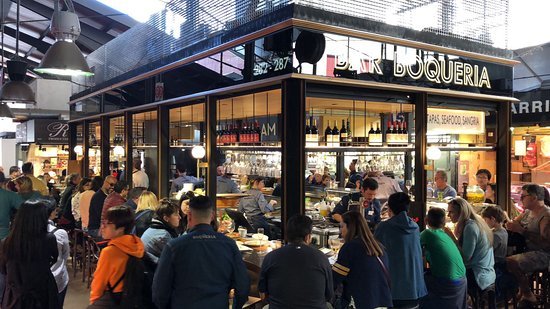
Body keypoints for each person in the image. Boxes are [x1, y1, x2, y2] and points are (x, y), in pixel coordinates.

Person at [153, 196, 249, 308]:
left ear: (189, 216)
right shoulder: (229, 245)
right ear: (212, 216)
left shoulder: (174, 247)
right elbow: (242, 286)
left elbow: (159, 291)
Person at [259, 214, 333, 308]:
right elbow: (329, 294)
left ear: (287, 235)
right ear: (308, 237)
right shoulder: (321, 257)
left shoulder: (270, 257)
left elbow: (263, 295)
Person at [0, 200, 59, 308]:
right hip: (43, 293)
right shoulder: (49, 239)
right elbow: (54, 259)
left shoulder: (6, 242)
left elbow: (3, 269)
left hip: (14, 297)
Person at [374, 192, 427, 307]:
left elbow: (372, 250)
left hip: (396, 290)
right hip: (416, 288)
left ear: (390, 208)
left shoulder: (384, 227)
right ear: (408, 208)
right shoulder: (415, 227)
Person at [333, 211, 392, 309]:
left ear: (350, 227)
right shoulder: (378, 246)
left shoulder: (350, 247)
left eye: (342, 226)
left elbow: (335, 278)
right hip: (382, 301)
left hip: (361, 301)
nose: (340, 231)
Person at [89, 206, 145, 305]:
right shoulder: (137, 244)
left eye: (107, 224)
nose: (102, 227)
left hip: (114, 300)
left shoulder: (109, 252)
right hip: (133, 299)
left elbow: (99, 283)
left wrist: (94, 302)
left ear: (121, 229)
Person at [505, 184, 550, 305]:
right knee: (501, 257)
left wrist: (521, 230)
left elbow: (546, 243)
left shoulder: (546, 215)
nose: (520, 199)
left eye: (523, 196)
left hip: (543, 254)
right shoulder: (527, 212)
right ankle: (521, 290)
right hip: (526, 249)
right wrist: (510, 225)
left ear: (534, 197)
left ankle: (527, 294)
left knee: (510, 261)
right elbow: (515, 222)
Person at [447, 197, 496, 302]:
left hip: (477, 275)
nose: (448, 215)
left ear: (461, 212)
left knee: (442, 280)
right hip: (487, 272)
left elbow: (465, 258)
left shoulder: (470, 227)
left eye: (451, 212)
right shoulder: (477, 222)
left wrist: (451, 237)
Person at [419, 207, 467, 309]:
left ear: (426, 220)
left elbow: (412, 247)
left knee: (418, 285)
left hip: (447, 283)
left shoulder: (427, 233)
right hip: (462, 281)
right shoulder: (445, 235)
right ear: (444, 222)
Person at [140, 199, 180, 269]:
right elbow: (177, 257)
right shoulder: (162, 235)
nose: (180, 217)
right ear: (166, 218)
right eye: (176, 214)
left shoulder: (155, 228)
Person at [45, 199, 70, 307]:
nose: (57, 211)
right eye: (55, 209)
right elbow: (65, 255)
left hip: (31, 282)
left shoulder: (19, 236)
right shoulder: (59, 233)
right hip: (57, 277)